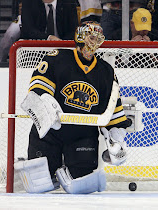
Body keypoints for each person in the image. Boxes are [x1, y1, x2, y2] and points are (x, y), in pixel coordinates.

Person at [14, 21, 130, 194]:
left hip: (82, 135)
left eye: (99, 39)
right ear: (80, 37)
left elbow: (113, 109)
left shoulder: (106, 71)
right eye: (92, 37)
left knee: (81, 183)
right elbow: (37, 90)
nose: (95, 43)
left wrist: (116, 139)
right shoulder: (56, 58)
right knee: (40, 183)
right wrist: (46, 108)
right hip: (50, 132)